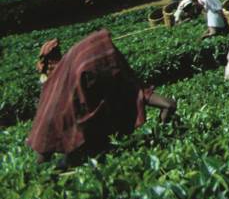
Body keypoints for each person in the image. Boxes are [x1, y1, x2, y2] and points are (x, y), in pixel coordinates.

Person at [27, 33, 174, 165]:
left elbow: (142, 94)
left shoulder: (70, 73)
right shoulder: (60, 82)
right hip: (84, 141)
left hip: (89, 138)